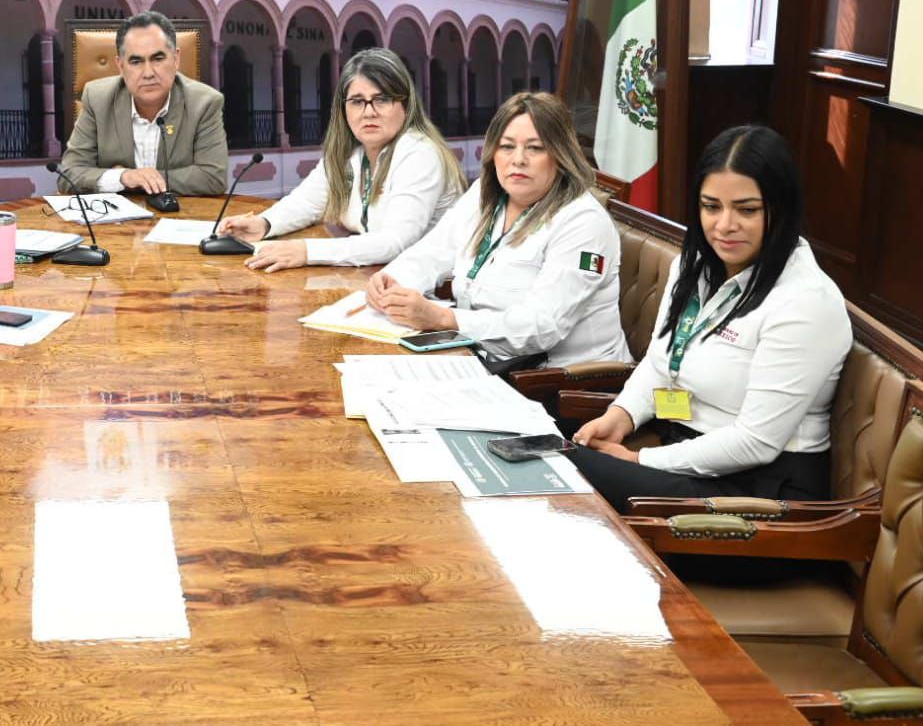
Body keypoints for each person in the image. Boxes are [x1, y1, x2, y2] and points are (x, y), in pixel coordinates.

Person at [569, 126, 852, 512]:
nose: (725, 225)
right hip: (684, 447)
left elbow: (756, 442)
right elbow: (659, 363)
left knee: (568, 466)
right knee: (543, 435)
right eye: (711, 206)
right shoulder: (694, 264)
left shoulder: (805, 301)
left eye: (747, 210)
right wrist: (621, 415)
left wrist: (639, 461)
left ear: (781, 209)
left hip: (762, 490)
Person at [365, 91, 630, 367]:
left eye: (535, 148)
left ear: (560, 155)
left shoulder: (583, 222)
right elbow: (433, 251)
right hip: (476, 355)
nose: (518, 160)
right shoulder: (487, 192)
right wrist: (392, 282)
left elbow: (542, 326)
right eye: (506, 147)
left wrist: (444, 318)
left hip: (553, 378)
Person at [217, 49, 464, 271]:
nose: (369, 112)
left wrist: (306, 251)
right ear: (344, 109)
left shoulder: (419, 154)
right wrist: (265, 223)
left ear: (406, 105)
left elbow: (395, 241)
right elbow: (306, 202)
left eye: (382, 99)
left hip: (429, 289)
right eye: (357, 101)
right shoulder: (349, 153)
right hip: (374, 276)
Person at [57, 11, 228, 197]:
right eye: (136, 61)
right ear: (121, 65)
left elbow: (213, 178)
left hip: (180, 213)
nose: (148, 73)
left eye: (158, 59)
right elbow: (68, 175)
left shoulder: (205, 103)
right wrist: (123, 177)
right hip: (115, 215)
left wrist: (138, 180)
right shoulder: (97, 99)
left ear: (176, 59)